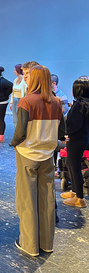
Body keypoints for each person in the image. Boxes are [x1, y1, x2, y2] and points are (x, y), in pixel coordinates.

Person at [11, 65, 65, 257]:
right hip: (48, 156)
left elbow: (20, 133)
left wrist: (14, 144)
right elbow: (62, 133)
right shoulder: (57, 102)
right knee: (47, 200)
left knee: (27, 201)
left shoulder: (26, 102)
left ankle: (30, 245)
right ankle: (47, 244)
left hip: (27, 155)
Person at [60, 78, 89, 208]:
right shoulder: (86, 103)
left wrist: (66, 133)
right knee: (70, 164)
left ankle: (79, 198)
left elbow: (73, 124)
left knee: (74, 167)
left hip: (75, 138)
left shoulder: (79, 104)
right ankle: (74, 191)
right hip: (83, 138)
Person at [9, 64, 27, 129]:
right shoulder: (15, 80)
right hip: (15, 100)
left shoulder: (24, 81)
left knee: (20, 118)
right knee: (15, 118)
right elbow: (13, 92)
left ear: (18, 70)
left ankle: (21, 134)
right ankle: (16, 133)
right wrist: (11, 102)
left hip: (20, 100)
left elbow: (25, 93)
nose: (14, 71)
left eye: (14, 70)